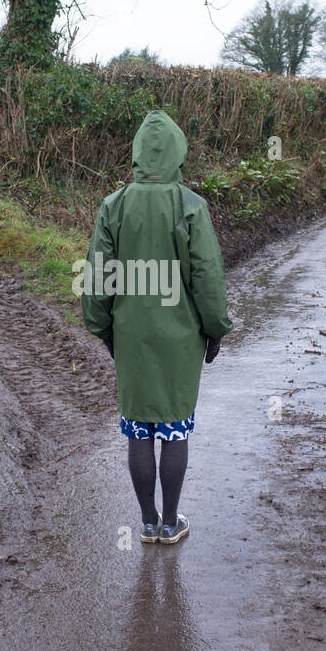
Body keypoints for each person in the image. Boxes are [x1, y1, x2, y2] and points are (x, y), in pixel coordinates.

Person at [81, 110, 233, 545]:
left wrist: (103, 327)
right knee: (174, 426)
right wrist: (215, 328)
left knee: (139, 428)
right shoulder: (191, 206)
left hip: (130, 334)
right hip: (181, 337)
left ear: (137, 154)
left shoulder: (114, 206)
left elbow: (97, 275)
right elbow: (206, 275)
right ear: (178, 152)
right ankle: (171, 522)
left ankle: (146, 522)